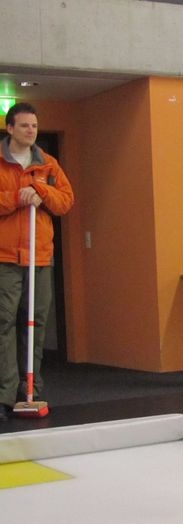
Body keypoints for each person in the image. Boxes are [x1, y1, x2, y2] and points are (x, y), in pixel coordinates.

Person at [0, 102, 75, 422]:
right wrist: (18, 197)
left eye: (34, 125)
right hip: (5, 257)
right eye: (24, 125)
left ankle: (30, 387)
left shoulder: (48, 164)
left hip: (39, 255)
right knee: (4, 322)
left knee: (36, 322)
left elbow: (65, 202)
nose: (31, 130)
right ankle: (4, 394)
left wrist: (40, 190)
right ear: (10, 129)